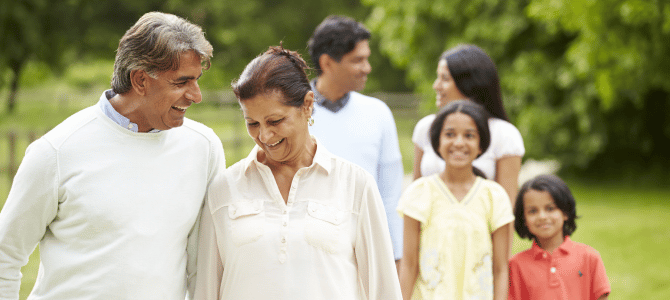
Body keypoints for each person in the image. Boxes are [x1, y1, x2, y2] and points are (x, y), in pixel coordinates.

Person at [0, 12, 225, 300]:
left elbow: (203, 265)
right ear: (141, 80)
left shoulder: (203, 148)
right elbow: (5, 255)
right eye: (181, 82)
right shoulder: (56, 151)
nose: (196, 95)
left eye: (196, 81)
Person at [193, 46, 401, 300]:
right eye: (252, 123)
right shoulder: (224, 189)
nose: (264, 136)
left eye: (275, 121)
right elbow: (204, 291)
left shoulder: (356, 185)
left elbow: (383, 290)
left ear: (307, 105)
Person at [307, 15, 404, 264]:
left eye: (366, 58)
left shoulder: (379, 113)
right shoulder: (293, 111)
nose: (367, 68)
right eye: (358, 60)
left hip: (365, 252)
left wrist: (396, 257)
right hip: (308, 252)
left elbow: (390, 194)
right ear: (327, 63)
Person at [398, 100, 513, 300]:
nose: (459, 142)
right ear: (437, 142)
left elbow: (501, 269)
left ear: (480, 145)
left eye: (469, 135)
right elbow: (408, 265)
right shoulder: (420, 193)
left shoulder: (494, 197)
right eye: (450, 134)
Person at [412, 44, 524, 204]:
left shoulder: (504, 134)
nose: (436, 85)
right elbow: (414, 197)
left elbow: (507, 206)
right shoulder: (426, 128)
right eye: (438, 77)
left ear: (470, 84)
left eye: (444, 79)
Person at [509, 174, 611, 300]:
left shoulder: (590, 257)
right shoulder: (515, 265)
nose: (542, 216)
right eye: (533, 211)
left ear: (565, 212)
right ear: (524, 219)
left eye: (550, 208)